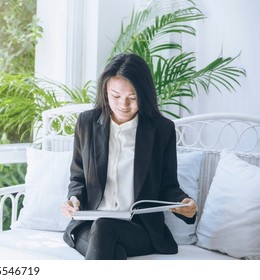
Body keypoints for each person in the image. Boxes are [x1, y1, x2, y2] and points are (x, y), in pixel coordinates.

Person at [61, 53, 197, 260]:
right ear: (105, 90)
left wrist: (184, 203)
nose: (123, 104)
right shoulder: (87, 123)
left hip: (139, 229)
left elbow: (168, 186)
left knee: (105, 227)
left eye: (132, 98)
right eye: (116, 95)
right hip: (89, 226)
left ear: (144, 94)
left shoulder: (162, 130)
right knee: (112, 248)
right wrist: (74, 200)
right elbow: (78, 178)